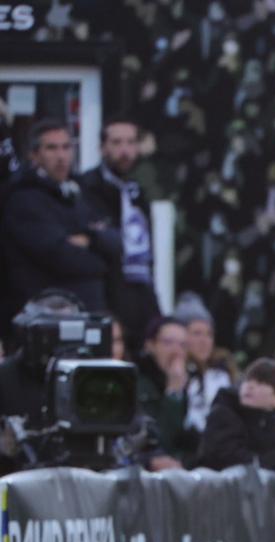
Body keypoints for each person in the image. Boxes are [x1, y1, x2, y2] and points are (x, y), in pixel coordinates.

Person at [0, 118, 121, 322]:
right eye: (51, 148)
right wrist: (98, 250)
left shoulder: (82, 192)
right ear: (34, 155)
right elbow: (60, 256)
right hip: (46, 316)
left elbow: (116, 242)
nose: (61, 156)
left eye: (66, 147)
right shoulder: (24, 199)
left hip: (91, 311)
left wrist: (89, 239)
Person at [77, 115, 161, 339]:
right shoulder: (86, 187)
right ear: (102, 147)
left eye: (131, 142)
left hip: (141, 290)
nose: (125, 150)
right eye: (116, 142)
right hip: (105, 294)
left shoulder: (137, 191)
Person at [196, 357, 275, 484]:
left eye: (260, 382)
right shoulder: (223, 414)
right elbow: (228, 457)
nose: (250, 386)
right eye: (248, 380)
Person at [133, 316, 198, 470]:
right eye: (168, 343)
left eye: (183, 345)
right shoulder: (138, 383)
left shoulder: (194, 381)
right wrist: (173, 394)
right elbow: (159, 439)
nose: (176, 351)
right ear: (150, 345)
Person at [172, 292, 237, 433]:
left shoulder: (223, 374)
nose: (204, 341)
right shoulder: (173, 373)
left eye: (209, 334)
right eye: (197, 333)